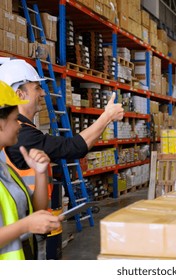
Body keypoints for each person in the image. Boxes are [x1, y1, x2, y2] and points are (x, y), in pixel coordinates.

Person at [0, 58, 124, 259]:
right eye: (36, 88)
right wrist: (106, 117)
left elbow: (31, 207)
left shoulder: (8, 166)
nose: (42, 93)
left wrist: (40, 175)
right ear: (19, 94)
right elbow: (73, 147)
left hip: (29, 242)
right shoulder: (24, 137)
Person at [0, 80, 62, 260]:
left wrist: (40, 172)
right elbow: (29, 221)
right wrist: (25, 226)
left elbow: (37, 210)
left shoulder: (4, 167)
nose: (20, 125)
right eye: (14, 120)